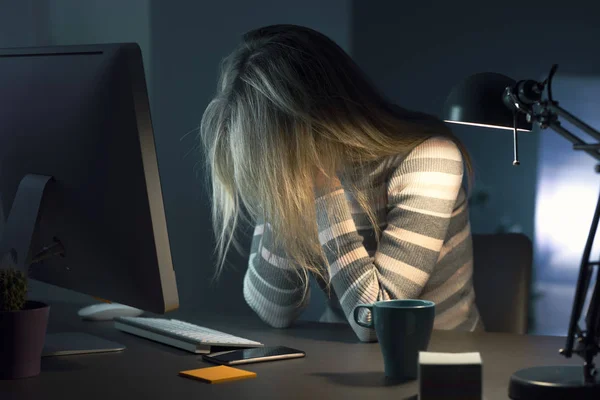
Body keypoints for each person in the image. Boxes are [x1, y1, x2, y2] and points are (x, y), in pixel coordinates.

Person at [200, 24, 482, 342]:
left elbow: (376, 321)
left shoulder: (429, 155)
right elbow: (274, 310)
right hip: (342, 354)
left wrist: (324, 185)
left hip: (438, 359)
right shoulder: (295, 171)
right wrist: (282, 190)